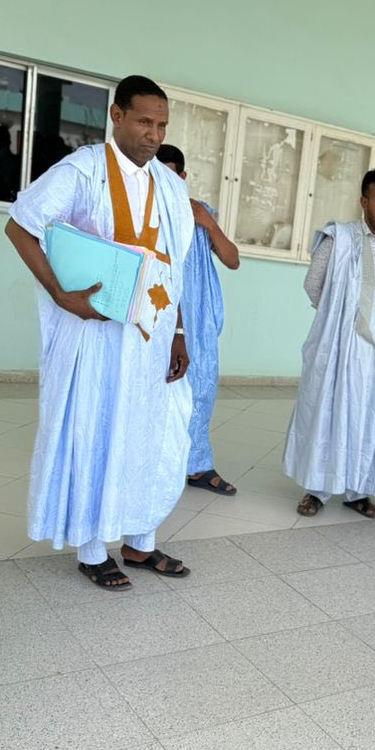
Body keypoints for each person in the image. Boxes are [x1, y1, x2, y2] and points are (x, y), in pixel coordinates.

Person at [5, 75, 195, 592]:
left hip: (151, 338)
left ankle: (141, 541)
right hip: (94, 336)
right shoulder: (82, 170)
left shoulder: (172, 187)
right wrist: (60, 294)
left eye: (162, 125)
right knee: (95, 430)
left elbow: (173, 270)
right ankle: (92, 550)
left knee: (149, 435)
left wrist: (179, 330)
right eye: (144, 122)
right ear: (117, 115)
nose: (154, 134)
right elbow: (20, 226)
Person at [284, 168, 375, 519]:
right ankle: (317, 489)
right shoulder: (339, 238)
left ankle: (359, 491)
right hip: (342, 348)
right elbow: (313, 284)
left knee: (371, 417)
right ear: (363, 202)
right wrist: (339, 321)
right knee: (329, 413)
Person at [156, 143, 242, 496]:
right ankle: (158, 465)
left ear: (183, 176)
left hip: (200, 323)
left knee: (201, 392)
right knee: (159, 392)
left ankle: (197, 465)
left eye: (172, 175)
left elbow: (233, 260)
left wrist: (207, 222)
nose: (166, 183)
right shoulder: (146, 213)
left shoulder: (200, 213)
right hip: (160, 317)